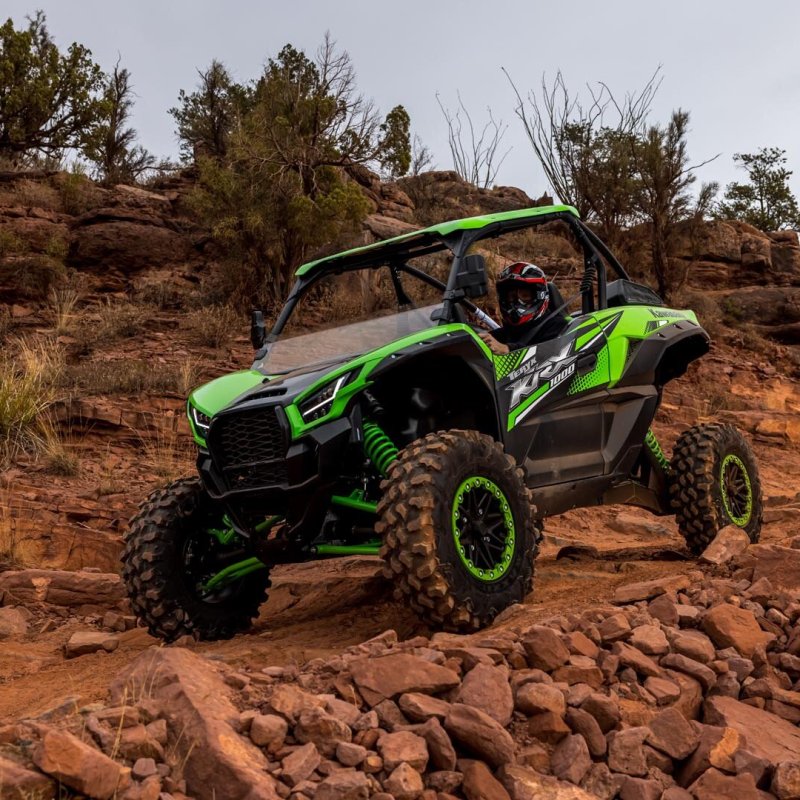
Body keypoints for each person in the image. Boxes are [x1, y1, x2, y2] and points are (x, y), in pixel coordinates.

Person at [479, 262, 564, 355]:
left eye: (525, 296)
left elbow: (550, 355)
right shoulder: (505, 334)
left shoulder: (558, 326)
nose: (516, 302)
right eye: (511, 297)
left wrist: (508, 349)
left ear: (539, 296)